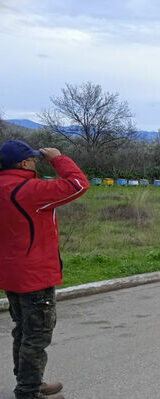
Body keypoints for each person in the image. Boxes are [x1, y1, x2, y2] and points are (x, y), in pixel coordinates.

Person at [0, 140, 88, 399]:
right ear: (24, 163)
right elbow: (78, 184)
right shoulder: (29, 190)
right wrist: (58, 158)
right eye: (33, 160)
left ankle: (30, 381)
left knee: (23, 330)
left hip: (11, 273)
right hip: (34, 274)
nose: (36, 163)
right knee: (37, 335)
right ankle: (28, 391)